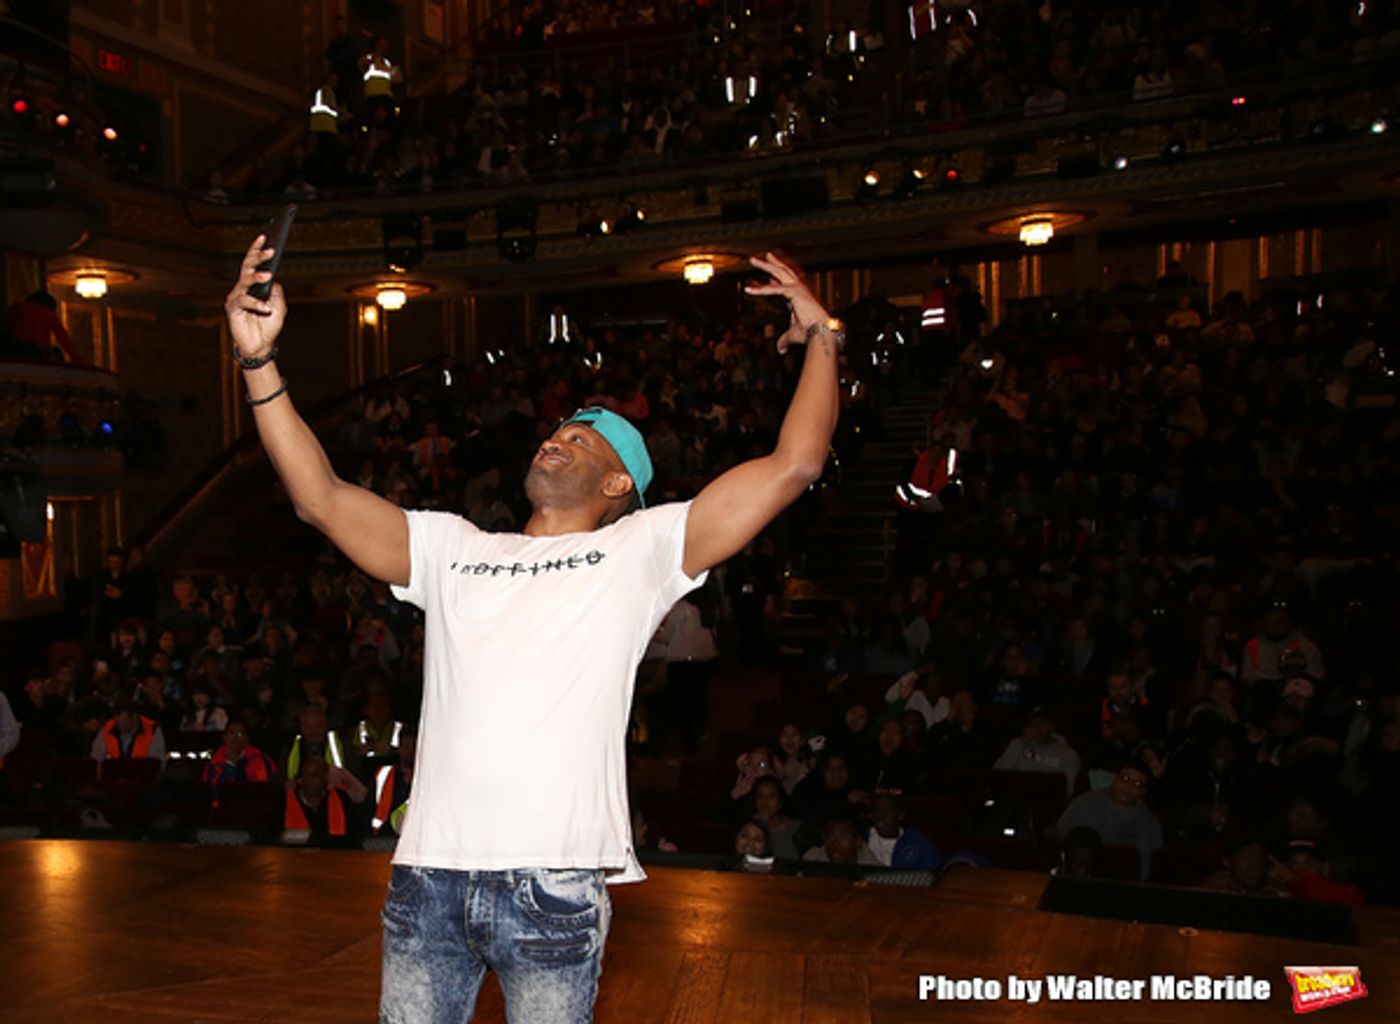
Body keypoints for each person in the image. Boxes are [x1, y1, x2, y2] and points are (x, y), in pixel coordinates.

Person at [225, 237, 842, 1023]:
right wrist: (258, 362)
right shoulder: (453, 546)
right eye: (558, 430)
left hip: (553, 883)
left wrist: (822, 337)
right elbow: (320, 498)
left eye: (582, 439)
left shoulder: (641, 549)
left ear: (618, 482)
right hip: (429, 874)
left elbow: (795, 464)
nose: (557, 438)